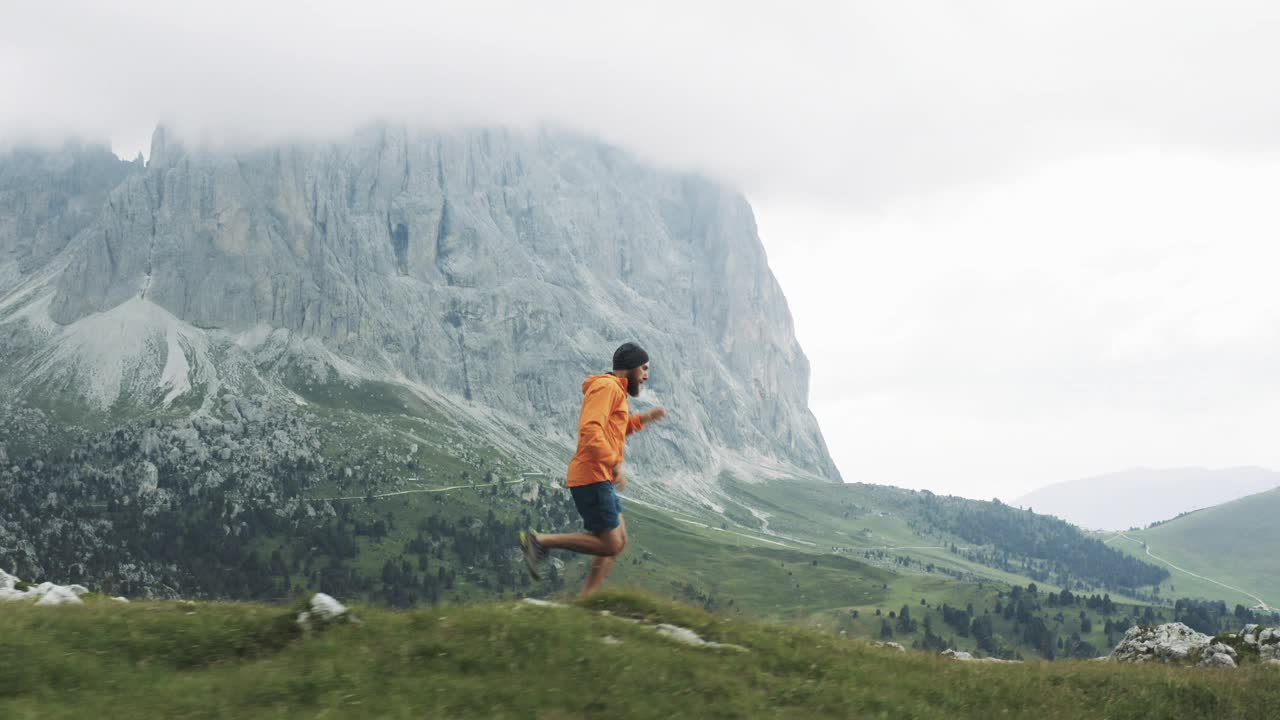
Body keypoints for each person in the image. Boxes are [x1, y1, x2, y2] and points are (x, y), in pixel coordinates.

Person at [520, 342, 666, 595]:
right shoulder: (606, 387)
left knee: (618, 543)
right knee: (611, 544)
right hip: (591, 477)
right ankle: (540, 541)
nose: (646, 375)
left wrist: (643, 419)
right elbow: (590, 431)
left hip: (599, 478)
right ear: (629, 367)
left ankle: (588, 600)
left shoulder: (616, 391)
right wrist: (615, 463)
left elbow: (615, 429)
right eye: (643, 368)